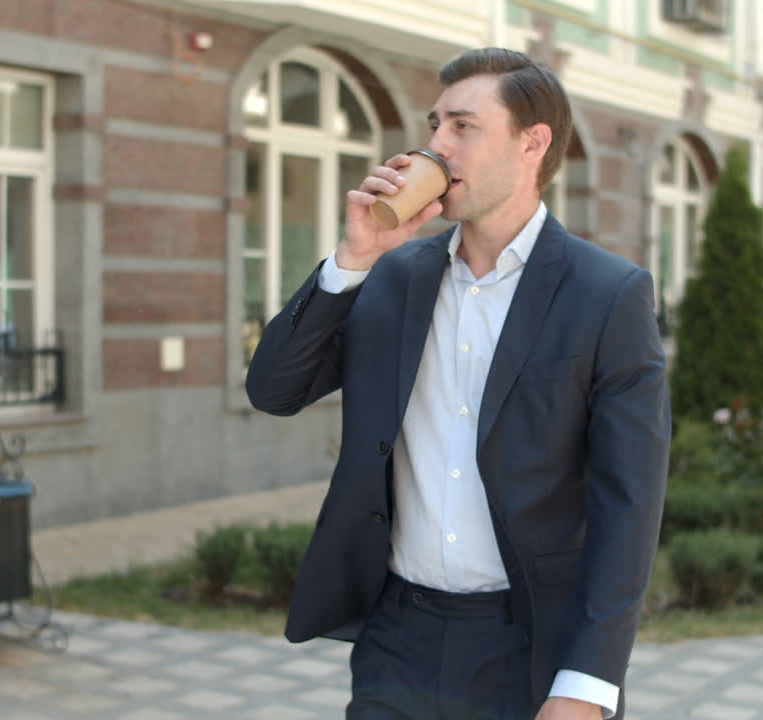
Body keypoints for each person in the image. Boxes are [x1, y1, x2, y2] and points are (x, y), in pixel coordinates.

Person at [246, 47, 670, 720]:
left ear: (533, 143)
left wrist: (586, 684)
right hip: (397, 637)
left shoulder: (608, 295)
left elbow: (629, 506)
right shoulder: (390, 276)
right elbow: (273, 389)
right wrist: (352, 258)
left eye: (463, 127)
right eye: (435, 123)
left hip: (529, 645)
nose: (436, 146)